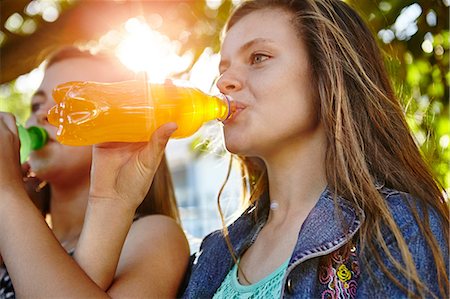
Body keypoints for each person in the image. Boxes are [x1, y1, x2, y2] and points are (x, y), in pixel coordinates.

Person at [0, 0, 448, 298]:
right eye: (224, 67)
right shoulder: (218, 252)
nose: (225, 82)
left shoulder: (400, 229)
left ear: (328, 78)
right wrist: (110, 200)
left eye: (259, 58)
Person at [0, 46, 189, 298]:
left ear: (128, 130)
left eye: (71, 103)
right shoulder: (9, 238)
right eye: (36, 104)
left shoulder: (155, 235)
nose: (44, 114)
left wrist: (7, 192)